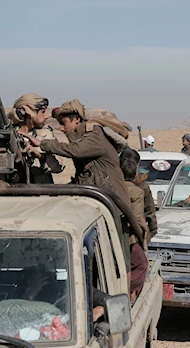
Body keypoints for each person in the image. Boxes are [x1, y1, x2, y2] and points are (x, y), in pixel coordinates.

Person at [20, 99, 134, 276]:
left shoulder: (94, 135)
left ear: (77, 119)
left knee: (118, 264)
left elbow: (75, 150)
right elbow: (83, 179)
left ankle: (123, 300)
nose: (62, 129)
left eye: (64, 123)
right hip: (100, 210)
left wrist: (42, 144)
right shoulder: (83, 138)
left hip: (114, 210)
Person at [8, 93, 64, 183]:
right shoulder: (6, 136)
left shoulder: (45, 134)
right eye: (43, 112)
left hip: (42, 192)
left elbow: (60, 165)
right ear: (31, 114)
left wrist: (40, 156)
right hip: (13, 193)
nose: (46, 116)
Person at [119, 156, 149, 302]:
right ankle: (127, 293)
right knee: (141, 264)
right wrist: (144, 232)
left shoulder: (111, 188)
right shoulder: (137, 192)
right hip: (129, 236)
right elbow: (137, 218)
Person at [120, 147, 158, 236]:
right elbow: (150, 211)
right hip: (135, 234)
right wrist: (150, 232)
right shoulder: (142, 186)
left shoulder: (113, 184)